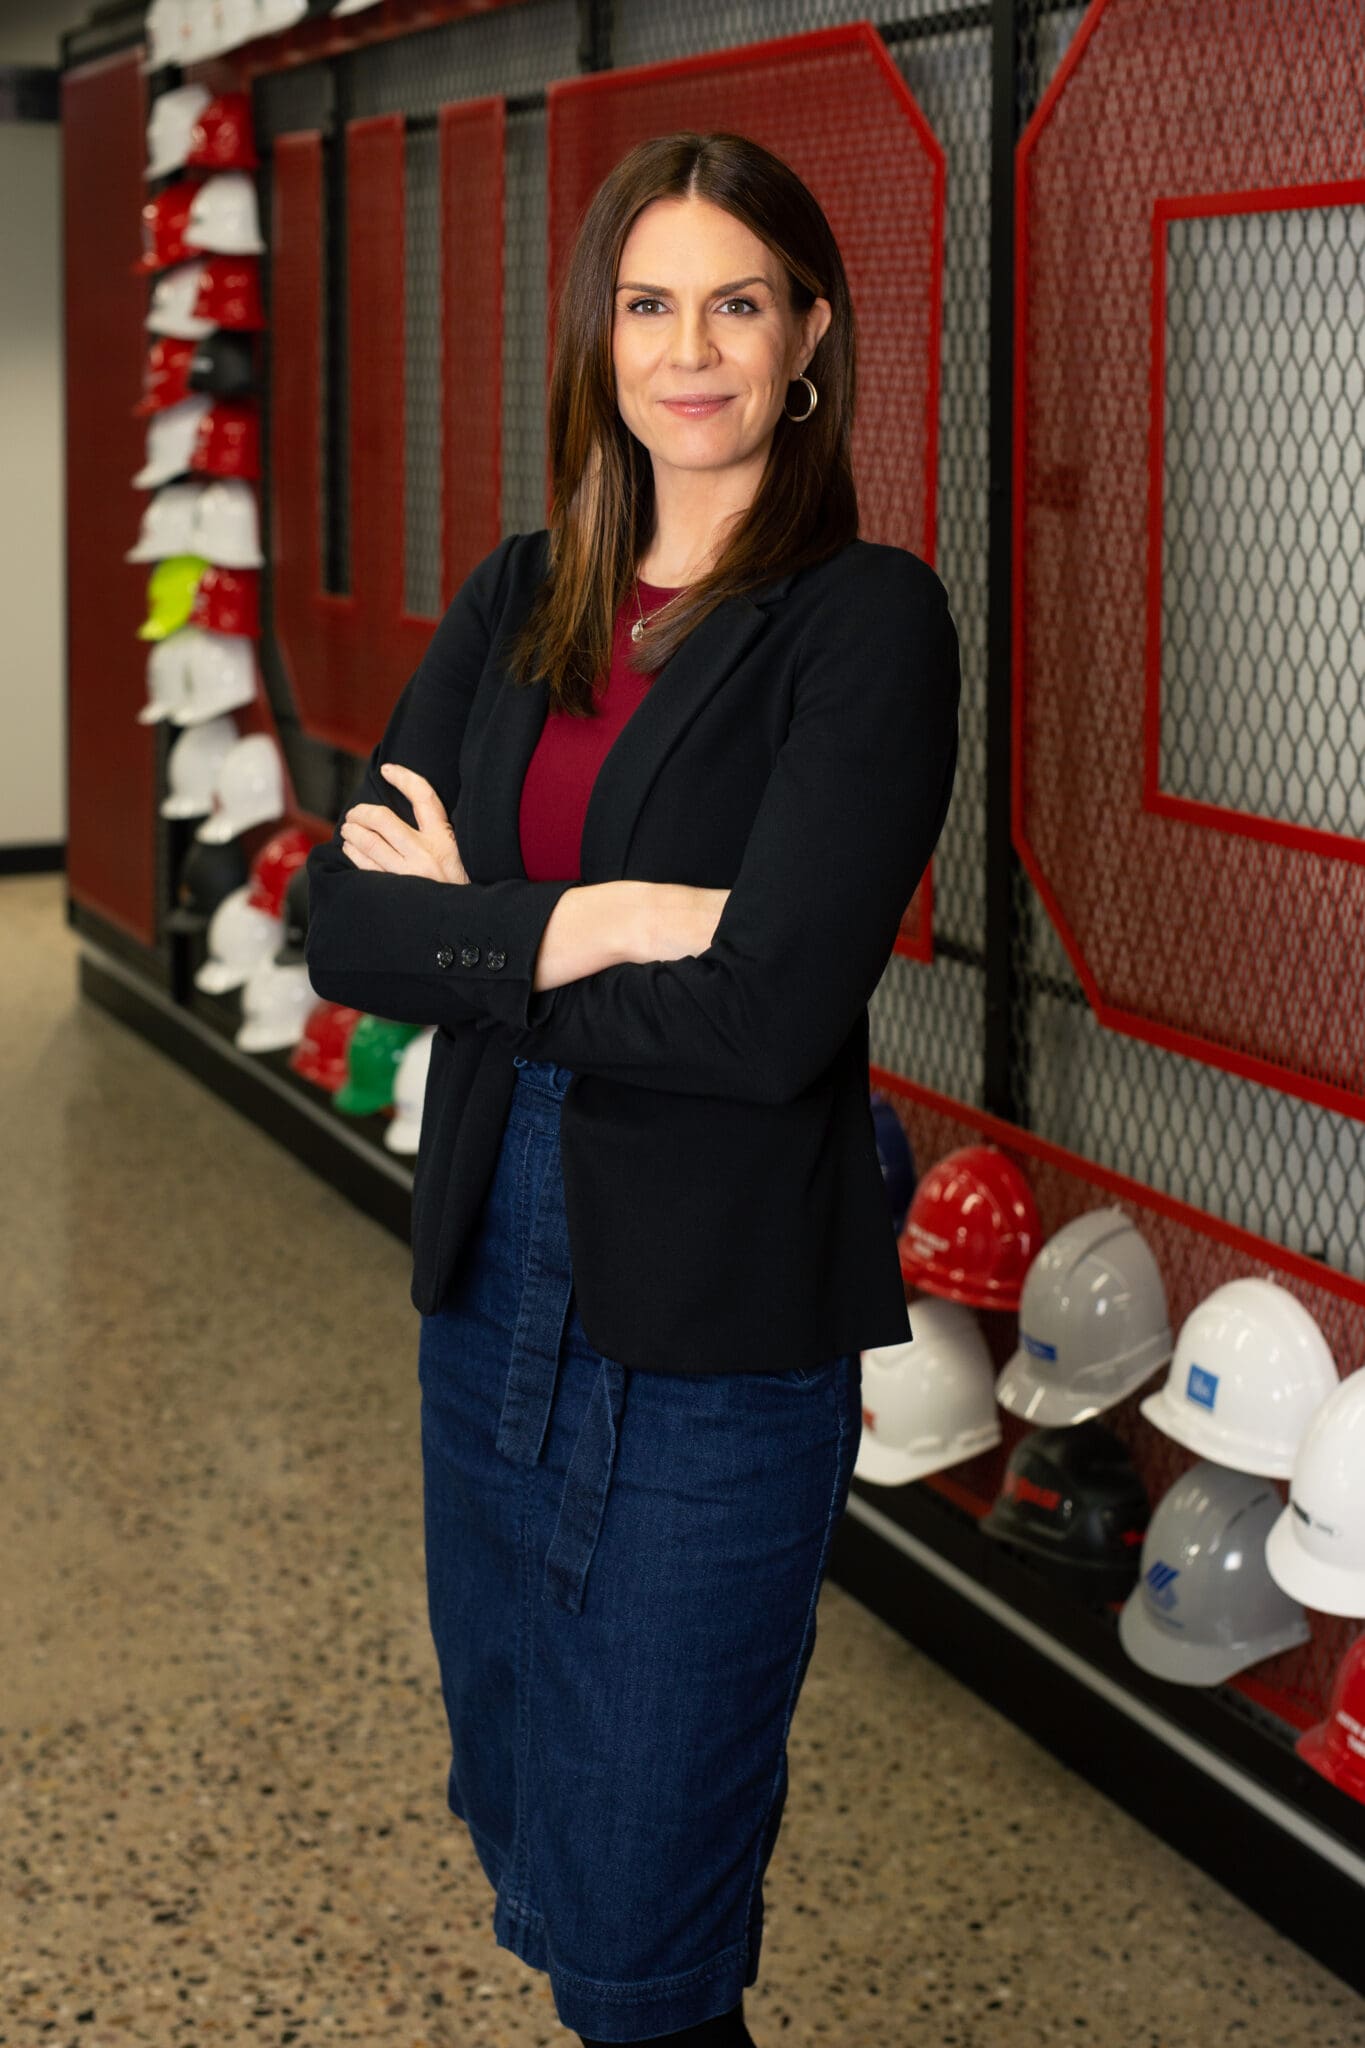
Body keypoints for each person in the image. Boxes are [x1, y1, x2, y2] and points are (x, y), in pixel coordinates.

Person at [304, 129, 960, 2048]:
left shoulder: (863, 621)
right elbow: (349, 930)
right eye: (650, 305)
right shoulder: (523, 592)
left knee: (643, 1917)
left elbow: (767, 1023)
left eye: (736, 304)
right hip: (493, 1269)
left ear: (807, 335)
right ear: (599, 341)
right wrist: (590, 927)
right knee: (528, 1806)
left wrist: (483, 943)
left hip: (714, 1314)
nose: (692, 350)